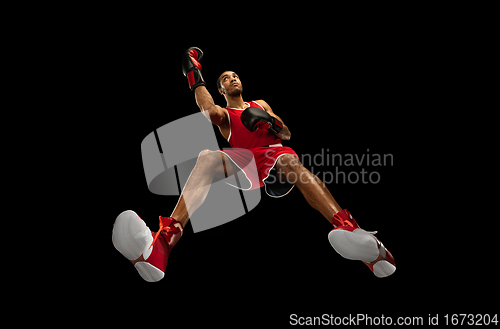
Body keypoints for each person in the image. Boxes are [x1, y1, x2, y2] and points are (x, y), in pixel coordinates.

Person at [112, 47, 396, 282]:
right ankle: (162, 244)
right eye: (226, 78)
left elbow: (286, 134)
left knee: (289, 159)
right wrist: (194, 75)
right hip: (246, 162)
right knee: (207, 157)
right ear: (221, 87)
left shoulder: (259, 102)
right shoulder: (225, 114)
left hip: (275, 155)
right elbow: (208, 112)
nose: (233, 79)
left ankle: (353, 231)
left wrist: (268, 120)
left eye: (235, 75)